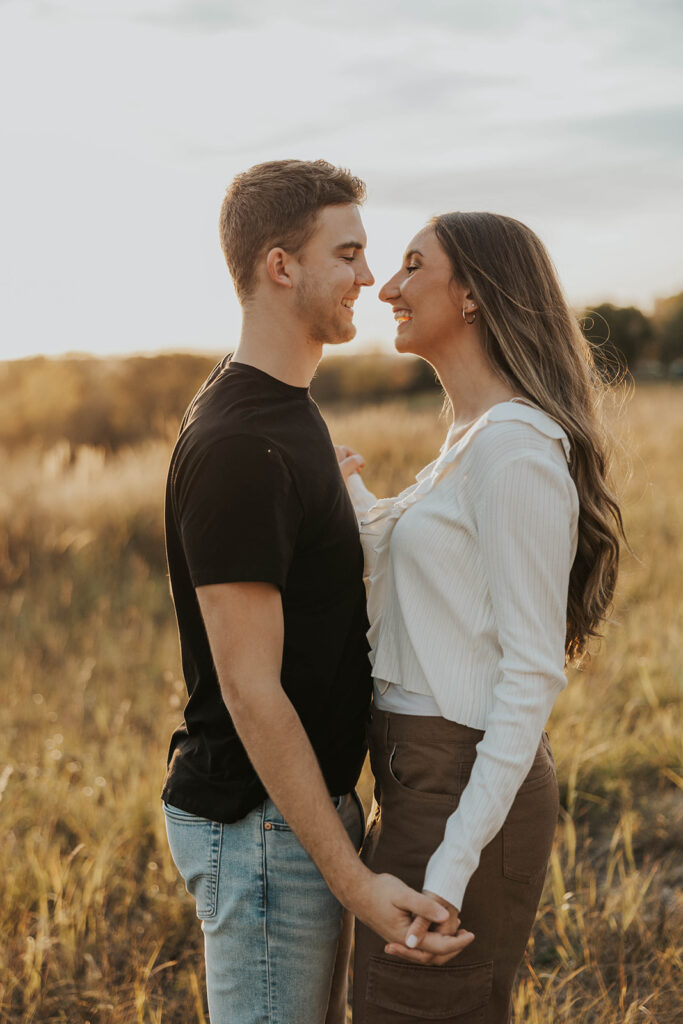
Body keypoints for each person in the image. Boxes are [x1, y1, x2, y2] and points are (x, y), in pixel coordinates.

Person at [161, 160, 471, 1024]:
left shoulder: (283, 411)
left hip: (292, 818)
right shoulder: (241, 443)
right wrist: (358, 882)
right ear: (280, 266)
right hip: (263, 827)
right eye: (348, 253)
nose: (369, 280)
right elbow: (251, 690)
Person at [343, 211, 624, 1023]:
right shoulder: (466, 440)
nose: (386, 288)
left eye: (409, 267)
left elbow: (532, 672)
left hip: (461, 791)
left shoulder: (514, 449)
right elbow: (430, 593)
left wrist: (450, 868)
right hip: (414, 777)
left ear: (470, 294)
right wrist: (351, 493)